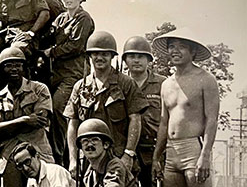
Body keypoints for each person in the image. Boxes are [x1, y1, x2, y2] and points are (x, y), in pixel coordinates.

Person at [64, 31, 148, 177]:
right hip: (88, 158)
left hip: (117, 155)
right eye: (95, 54)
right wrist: (73, 158)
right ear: (90, 56)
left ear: (112, 56)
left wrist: (128, 154)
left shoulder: (126, 83)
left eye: (105, 54)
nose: (99, 57)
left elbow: (135, 119)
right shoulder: (80, 86)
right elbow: (73, 123)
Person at [151, 31, 219, 187]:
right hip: (171, 151)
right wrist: (156, 157)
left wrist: (205, 155)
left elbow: (212, 119)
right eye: (171, 46)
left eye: (181, 47)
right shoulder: (166, 84)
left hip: (193, 149)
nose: (175, 51)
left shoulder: (205, 79)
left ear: (193, 51)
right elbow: (163, 123)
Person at [40, 0, 94, 166]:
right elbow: (50, 35)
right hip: (56, 73)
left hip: (73, 75)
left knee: (58, 110)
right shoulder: (61, 18)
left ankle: (60, 158)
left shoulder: (83, 18)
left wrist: (51, 52)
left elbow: (75, 46)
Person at [0, 47, 54, 187]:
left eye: (18, 65)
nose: (14, 69)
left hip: (37, 153)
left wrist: (7, 128)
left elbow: (39, 121)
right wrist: (25, 120)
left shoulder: (39, 89)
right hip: (9, 156)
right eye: (9, 65)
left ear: (24, 67)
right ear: (1, 70)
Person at [121, 36, 166, 187]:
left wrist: (159, 156)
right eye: (132, 57)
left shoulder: (163, 84)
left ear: (149, 60)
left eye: (141, 57)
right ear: (125, 60)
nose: (136, 61)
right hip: (126, 149)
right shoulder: (119, 84)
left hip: (154, 149)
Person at [76, 118, 136, 187]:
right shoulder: (90, 172)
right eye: (85, 141)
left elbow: (113, 184)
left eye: (94, 140)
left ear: (106, 145)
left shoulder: (115, 166)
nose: (89, 145)